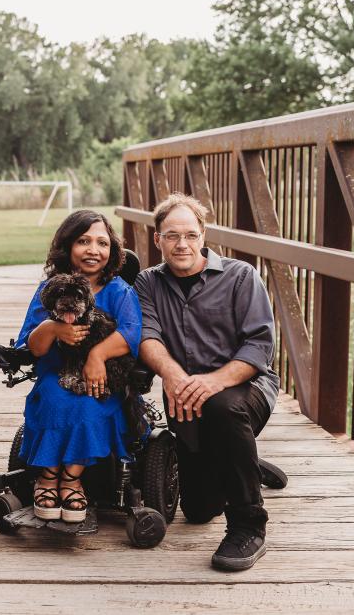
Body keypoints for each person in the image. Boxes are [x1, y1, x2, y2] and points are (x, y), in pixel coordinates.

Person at [135, 193, 280, 571]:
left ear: (203, 235)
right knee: (199, 509)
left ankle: (249, 525)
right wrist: (175, 375)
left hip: (245, 388)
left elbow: (259, 344)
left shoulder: (240, 275)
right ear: (157, 240)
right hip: (183, 393)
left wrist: (213, 381)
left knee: (222, 407)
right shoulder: (147, 283)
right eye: (171, 236)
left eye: (189, 234)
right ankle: (242, 460)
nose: (181, 244)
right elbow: (147, 337)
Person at [16, 210, 141, 523]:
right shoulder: (50, 290)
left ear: (112, 251)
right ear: (68, 247)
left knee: (88, 407)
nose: (93, 249)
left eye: (102, 243)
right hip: (54, 374)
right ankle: (47, 477)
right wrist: (54, 328)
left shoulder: (119, 291)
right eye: (83, 241)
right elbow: (31, 345)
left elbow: (131, 333)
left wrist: (97, 355)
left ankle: (71, 479)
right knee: (55, 402)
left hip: (102, 379)